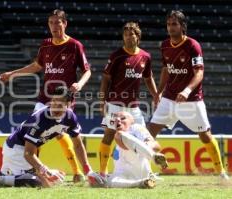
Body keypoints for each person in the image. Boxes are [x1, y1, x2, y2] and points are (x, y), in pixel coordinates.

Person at [0, 9, 91, 182]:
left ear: (65, 23)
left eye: (58, 22)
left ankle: (78, 172)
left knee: (62, 134)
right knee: (35, 134)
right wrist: (12, 73)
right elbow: (36, 66)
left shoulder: (74, 45)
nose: (54, 26)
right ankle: (34, 171)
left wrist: (79, 84)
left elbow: (87, 71)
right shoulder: (46, 45)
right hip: (44, 98)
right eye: (51, 23)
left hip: (63, 99)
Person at [147, 10, 229, 180]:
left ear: (183, 26)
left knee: (205, 135)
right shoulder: (164, 45)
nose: (171, 28)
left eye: (174, 24)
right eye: (169, 24)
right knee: (149, 132)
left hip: (191, 99)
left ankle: (220, 172)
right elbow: (165, 69)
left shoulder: (193, 45)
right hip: (169, 98)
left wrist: (186, 91)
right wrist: (159, 92)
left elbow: (199, 73)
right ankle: (146, 170)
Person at [0, 86, 101, 187]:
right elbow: (28, 154)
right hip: (16, 149)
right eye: (53, 102)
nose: (55, 108)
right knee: (40, 182)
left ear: (69, 104)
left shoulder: (70, 117)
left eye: (59, 105)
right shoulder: (39, 119)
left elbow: (78, 144)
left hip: (20, 150)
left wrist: (87, 169)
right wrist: (44, 171)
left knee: (58, 178)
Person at [99, 21, 158, 176]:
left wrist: (156, 95)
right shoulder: (116, 56)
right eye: (125, 35)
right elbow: (105, 79)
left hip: (133, 107)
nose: (128, 37)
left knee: (144, 136)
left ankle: (148, 172)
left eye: (131, 34)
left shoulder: (145, 56)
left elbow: (148, 78)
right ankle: (103, 172)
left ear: (137, 36)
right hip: (114, 104)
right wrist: (102, 102)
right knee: (109, 135)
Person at [89, 112, 168, 188]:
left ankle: (154, 157)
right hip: (124, 177)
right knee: (103, 179)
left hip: (141, 170)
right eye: (115, 119)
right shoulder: (116, 144)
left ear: (132, 121)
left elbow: (156, 145)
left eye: (123, 118)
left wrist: (146, 146)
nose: (118, 120)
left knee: (119, 135)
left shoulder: (136, 128)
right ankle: (141, 183)